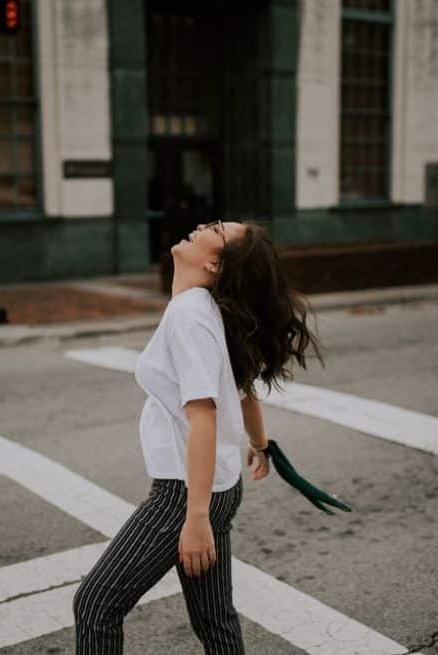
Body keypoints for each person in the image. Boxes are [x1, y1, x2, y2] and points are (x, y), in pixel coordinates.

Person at [73, 219, 325, 654]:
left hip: (184, 494)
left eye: (215, 229)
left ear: (214, 262)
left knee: (96, 604)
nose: (200, 225)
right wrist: (260, 444)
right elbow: (243, 386)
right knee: (215, 622)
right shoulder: (210, 309)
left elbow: (203, 417)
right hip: (221, 486)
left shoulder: (190, 313)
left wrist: (195, 519)